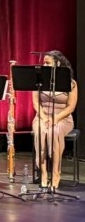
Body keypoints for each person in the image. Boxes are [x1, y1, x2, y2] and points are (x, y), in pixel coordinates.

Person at [32, 50, 78, 189]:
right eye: (44, 63)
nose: (44, 65)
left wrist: (55, 118)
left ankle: (56, 173)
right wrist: (44, 117)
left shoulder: (71, 83)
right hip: (42, 116)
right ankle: (43, 173)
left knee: (54, 131)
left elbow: (71, 107)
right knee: (41, 131)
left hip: (63, 118)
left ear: (57, 64)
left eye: (48, 63)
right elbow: (36, 103)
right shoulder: (39, 81)